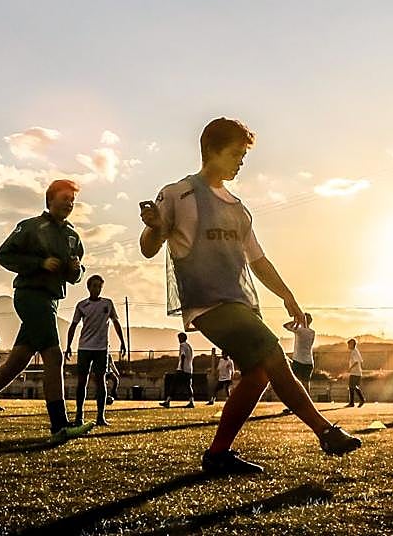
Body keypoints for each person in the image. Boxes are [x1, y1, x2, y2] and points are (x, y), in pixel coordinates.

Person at [139, 117, 360, 475]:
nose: (241, 163)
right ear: (211, 150)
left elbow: (258, 260)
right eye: (235, 154)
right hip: (206, 303)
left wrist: (288, 296)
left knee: (257, 376)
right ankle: (325, 431)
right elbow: (149, 247)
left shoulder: (238, 208)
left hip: (238, 304)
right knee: (273, 352)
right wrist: (154, 228)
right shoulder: (178, 193)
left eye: (243, 156)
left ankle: (218, 455)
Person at [0, 180, 94, 444]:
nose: (69, 203)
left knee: (17, 363)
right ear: (50, 200)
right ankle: (59, 426)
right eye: (64, 198)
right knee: (54, 356)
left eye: (72, 200)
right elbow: (4, 255)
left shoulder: (73, 236)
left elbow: (76, 273)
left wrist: (76, 271)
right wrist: (40, 263)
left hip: (51, 300)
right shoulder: (30, 226)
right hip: (31, 296)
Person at [65, 274, 126, 426]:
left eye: (99, 286)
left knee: (101, 381)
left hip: (101, 349)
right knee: (82, 382)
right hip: (84, 348)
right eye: (94, 286)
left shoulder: (108, 303)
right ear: (88, 287)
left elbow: (116, 323)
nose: (97, 289)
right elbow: (73, 326)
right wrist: (68, 346)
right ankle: (79, 416)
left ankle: (100, 417)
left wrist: (122, 342)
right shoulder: (81, 305)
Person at [160, 332, 195, 408]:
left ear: (182, 338)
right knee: (188, 386)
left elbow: (182, 356)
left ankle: (167, 401)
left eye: (179, 338)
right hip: (189, 369)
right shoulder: (189, 346)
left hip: (182, 369)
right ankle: (191, 402)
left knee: (174, 385)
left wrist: (181, 368)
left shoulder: (182, 345)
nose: (179, 340)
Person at [285, 313, 317, 396]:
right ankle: (307, 401)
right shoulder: (312, 332)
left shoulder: (299, 330)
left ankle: (294, 401)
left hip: (298, 360)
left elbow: (285, 326)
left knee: (294, 383)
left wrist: (296, 321)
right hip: (309, 362)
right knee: (306, 383)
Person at [347, 339, 365, 408]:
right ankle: (352, 403)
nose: (348, 346)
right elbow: (361, 361)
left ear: (352, 344)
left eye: (349, 344)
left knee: (352, 386)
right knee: (352, 387)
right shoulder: (355, 351)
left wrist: (350, 368)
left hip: (355, 373)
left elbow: (356, 362)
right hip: (356, 372)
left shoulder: (354, 352)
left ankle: (361, 400)